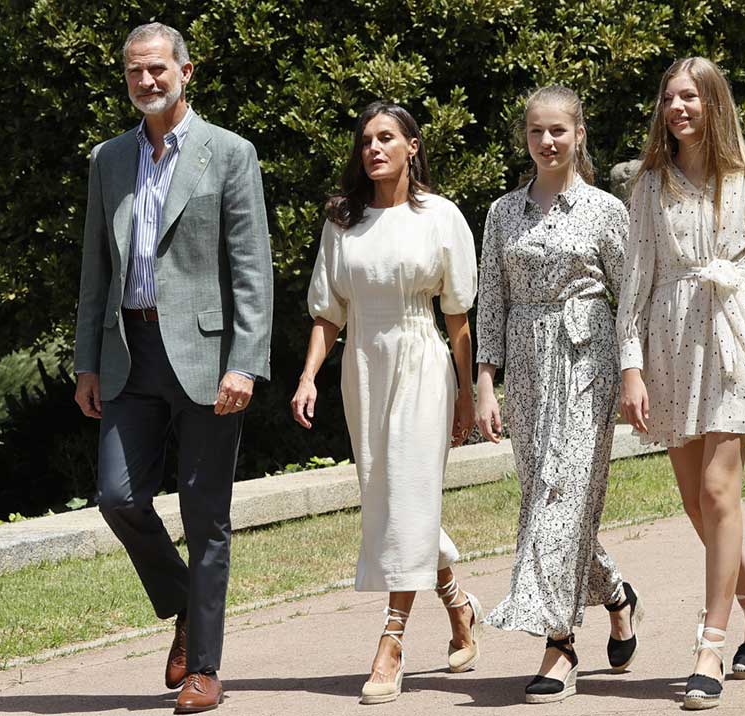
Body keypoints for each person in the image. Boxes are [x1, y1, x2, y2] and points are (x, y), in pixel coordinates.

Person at [617, 57, 745, 710]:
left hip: (735, 336)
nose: (676, 107)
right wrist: (630, 363)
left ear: (713, 103)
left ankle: (709, 645)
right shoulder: (648, 184)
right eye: (668, 98)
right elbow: (635, 275)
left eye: (690, 97)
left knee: (718, 489)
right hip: (670, 340)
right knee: (694, 503)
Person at [73, 22, 272, 715]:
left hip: (210, 359)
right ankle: (189, 605)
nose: (147, 81)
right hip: (127, 354)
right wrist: (86, 363)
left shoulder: (229, 153)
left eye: (158, 69)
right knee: (118, 496)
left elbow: (251, 270)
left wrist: (246, 362)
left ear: (187, 72)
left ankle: (206, 669)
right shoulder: (107, 161)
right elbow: (95, 271)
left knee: (205, 514)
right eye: (135, 72)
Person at [290, 101, 481, 705]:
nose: (374, 148)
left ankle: (392, 641)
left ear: (412, 147)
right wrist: (307, 377)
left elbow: (457, 315)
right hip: (362, 367)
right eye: (366, 139)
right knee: (387, 495)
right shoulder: (342, 221)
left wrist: (468, 395)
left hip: (424, 361)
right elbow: (328, 311)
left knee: (409, 491)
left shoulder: (441, 217)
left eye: (387, 138)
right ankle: (458, 604)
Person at [474, 85, 645, 705]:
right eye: (536, 132)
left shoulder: (606, 210)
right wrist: (484, 382)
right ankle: (617, 593)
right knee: (549, 498)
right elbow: (490, 300)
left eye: (558, 131)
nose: (547, 142)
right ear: (526, 138)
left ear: (578, 134)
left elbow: (629, 300)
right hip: (524, 365)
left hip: (587, 361)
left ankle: (559, 640)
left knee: (564, 499)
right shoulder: (501, 213)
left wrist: (632, 372)